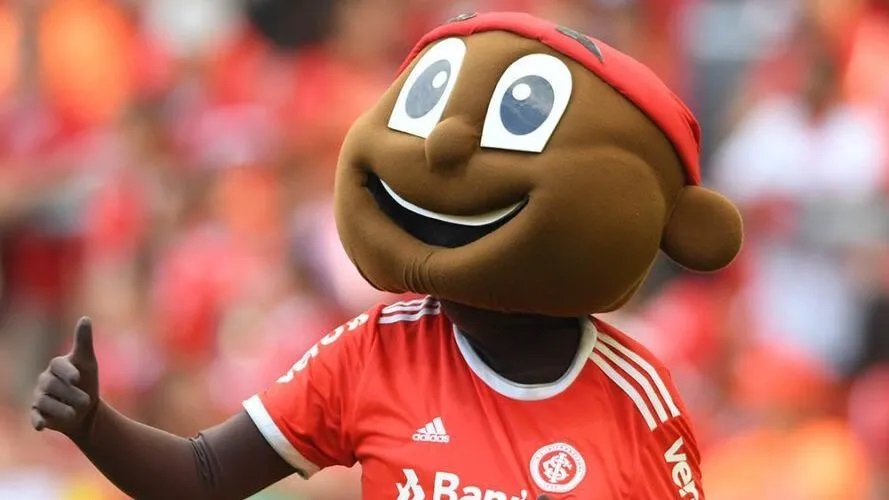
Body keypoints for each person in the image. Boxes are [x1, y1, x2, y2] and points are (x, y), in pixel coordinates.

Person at [30, 12, 742, 499]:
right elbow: (206, 474)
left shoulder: (633, 395)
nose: (445, 148)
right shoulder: (376, 350)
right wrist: (94, 424)